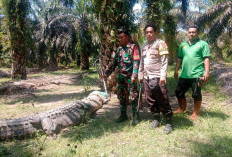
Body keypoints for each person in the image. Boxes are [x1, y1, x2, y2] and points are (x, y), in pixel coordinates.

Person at [138, 24, 173, 134]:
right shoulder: (144, 46)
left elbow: (164, 61)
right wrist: (140, 74)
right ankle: (156, 118)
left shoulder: (160, 44)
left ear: (155, 32)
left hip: (157, 76)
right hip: (147, 77)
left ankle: (168, 121)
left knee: (162, 98)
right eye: (147, 32)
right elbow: (142, 62)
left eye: (151, 32)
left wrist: (163, 75)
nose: (148, 34)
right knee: (150, 99)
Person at [101, 29, 140, 125]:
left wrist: (134, 75)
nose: (119, 39)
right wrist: (106, 73)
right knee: (121, 96)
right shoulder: (119, 49)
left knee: (133, 96)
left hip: (131, 77)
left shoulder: (134, 47)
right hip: (121, 77)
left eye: (121, 37)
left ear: (128, 37)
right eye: (119, 37)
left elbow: (136, 61)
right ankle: (123, 115)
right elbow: (113, 63)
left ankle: (136, 115)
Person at [173, 25, 210, 120]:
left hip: (197, 74)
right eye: (190, 32)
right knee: (178, 92)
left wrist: (206, 72)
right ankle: (182, 109)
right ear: (187, 33)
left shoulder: (203, 44)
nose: (191, 34)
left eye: (193, 32)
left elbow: (206, 58)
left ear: (197, 33)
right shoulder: (183, 45)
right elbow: (179, 58)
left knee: (196, 94)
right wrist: (176, 69)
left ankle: (195, 113)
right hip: (184, 74)